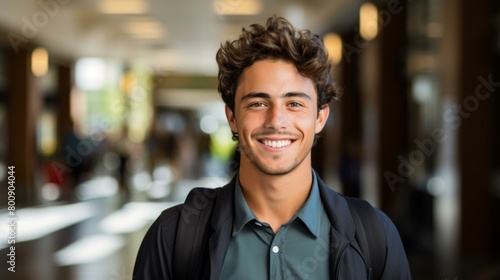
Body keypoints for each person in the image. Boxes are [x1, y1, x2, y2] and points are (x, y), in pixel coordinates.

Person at [133, 15, 411, 279]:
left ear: (320, 117)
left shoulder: (375, 236)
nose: (276, 120)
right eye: (258, 103)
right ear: (231, 117)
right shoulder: (173, 236)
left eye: (294, 104)